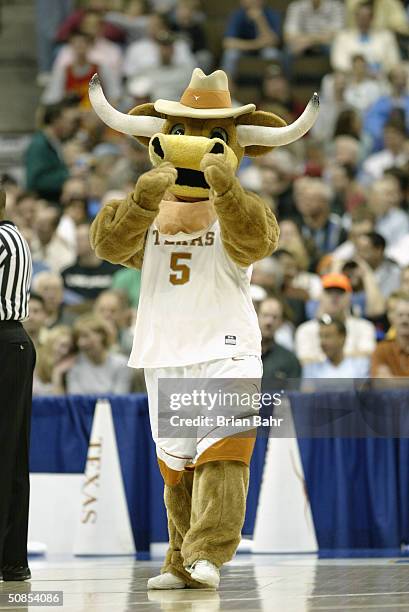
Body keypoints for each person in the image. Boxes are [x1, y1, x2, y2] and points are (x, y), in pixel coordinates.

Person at [0, 190, 36, 582]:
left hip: (5, 342)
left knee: (7, 453)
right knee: (10, 456)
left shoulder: (3, 239)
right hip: (12, 343)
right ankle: (11, 560)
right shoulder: (13, 237)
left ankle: (10, 558)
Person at [295, 273, 376, 365]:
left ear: (349, 297)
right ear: (320, 296)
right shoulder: (305, 330)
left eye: (340, 293)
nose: (334, 297)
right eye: (329, 292)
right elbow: (304, 362)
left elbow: (367, 357)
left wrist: (323, 360)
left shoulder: (364, 327)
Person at [43, 30, 121, 106]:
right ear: (70, 46)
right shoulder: (63, 71)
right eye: (76, 43)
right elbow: (52, 98)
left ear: (90, 46)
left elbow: (114, 95)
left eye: (83, 43)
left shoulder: (101, 68)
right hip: (70, 114)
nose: (79, 46)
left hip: (95, 114)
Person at [25, 101, 78, 203]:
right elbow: (36, 181)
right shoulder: (39, 144)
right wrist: (68, 174)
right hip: (43, 203)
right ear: (56, 120)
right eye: (66, 120)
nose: (70, 125)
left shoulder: (55, 142)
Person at [66, 314, 133, 394]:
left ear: (102, 336)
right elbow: (75, 400)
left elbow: (120, 399)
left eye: (86, 336)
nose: (81, 343)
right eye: (78, 338)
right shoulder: (73, 364)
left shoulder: (121, 364)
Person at [331, 1, 401, 75]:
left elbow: (394, 61)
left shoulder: (386, 36)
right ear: (355, 17)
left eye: (366, 17)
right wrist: (359, 71)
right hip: (351, 79)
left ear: (372, 18)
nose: (363, 20)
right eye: (360, 17)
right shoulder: (343, 37)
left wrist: (377, 71)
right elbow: (338, 63)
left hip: (380, 78)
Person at [221, 0, 281, 78]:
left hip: (264, 50)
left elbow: (273, 42)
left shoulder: (272, 14)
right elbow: (227, 42)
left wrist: (260, 20)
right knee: (230, 54)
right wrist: (256, 44)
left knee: (271, 53)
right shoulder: (237, 15)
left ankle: (272, 84)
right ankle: (228, 85)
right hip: (243, 50)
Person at [61, 224, 120, 302]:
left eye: (80, 239)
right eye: (76, 239)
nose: (76, 244)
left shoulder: (114, 272)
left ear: (94, 240)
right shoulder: (67, 273)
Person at [302, 316, 370, 378]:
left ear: (342, 338)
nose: (323, 342)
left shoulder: (361, 367)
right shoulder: (312, 369)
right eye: (321, 336)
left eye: (327, 336)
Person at [364, 66, 409, 153]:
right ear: (391, 80)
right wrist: (386, 135)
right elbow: (372, 121)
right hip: (383, 141)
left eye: (403, 78)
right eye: (397, 78)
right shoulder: (381, 102)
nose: (400, 81)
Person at [258, 296, 301, 386]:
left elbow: (293, 395)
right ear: (256, 317)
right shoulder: (242, 354)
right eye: (265, 315)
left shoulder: (289, 359)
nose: (269, 322)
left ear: (281, 322)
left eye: (275, 317)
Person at [371, 292, 409, 377]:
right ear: (393, 319)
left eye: (408, 315)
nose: (405, 320)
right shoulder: (382, 350)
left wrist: (393, 381)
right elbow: (381, 383)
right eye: (400, 315)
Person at [31, 207, 75, 273]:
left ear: (54, 228)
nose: (39, 228)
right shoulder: (28, 244)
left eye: (43, 225)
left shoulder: (64, 251)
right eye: (37, 223)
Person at [367, 176, 409, 245]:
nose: (393, 199)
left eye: (375, 196)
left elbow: (400, 249)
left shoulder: (400, 220)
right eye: (388, 194)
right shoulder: (374, 216)